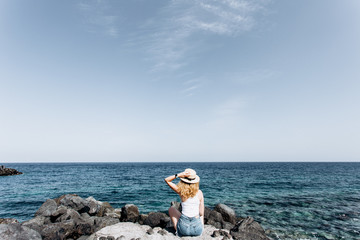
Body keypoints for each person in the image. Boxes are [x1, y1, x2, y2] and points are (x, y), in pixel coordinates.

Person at [164, 168, 204, 237]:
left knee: (171, 209)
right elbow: (201, 213)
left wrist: (179, 175)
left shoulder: (181, 192)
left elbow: (167, 180)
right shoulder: (200, 193)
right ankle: (201, 230)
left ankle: (177, 231)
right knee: (201, 215)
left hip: (183, 229)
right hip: (197, 230)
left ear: (183, 180)